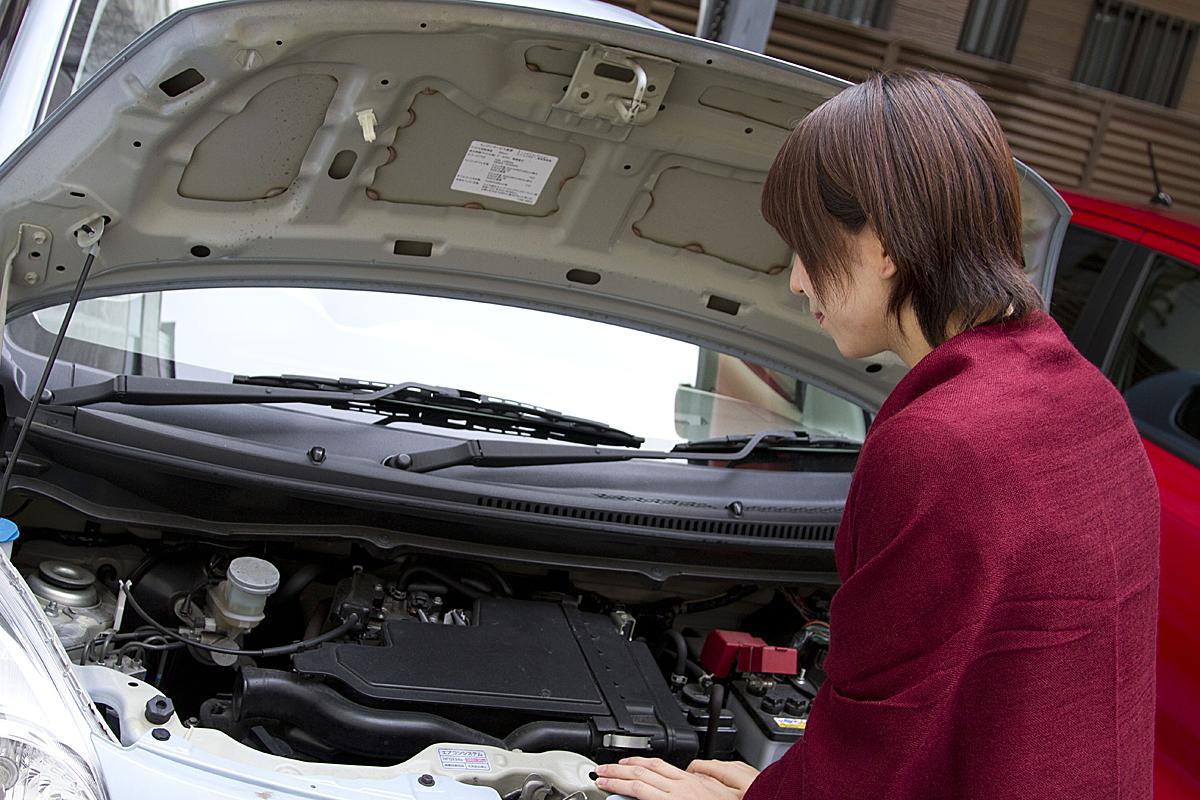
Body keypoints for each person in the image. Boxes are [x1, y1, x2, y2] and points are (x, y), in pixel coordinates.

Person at [594, 70, 1159, 800]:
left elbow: (874, 746)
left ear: (883, 242)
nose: (798, 281)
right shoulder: (1083, 399)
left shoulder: (942, 443)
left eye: (807, 246)